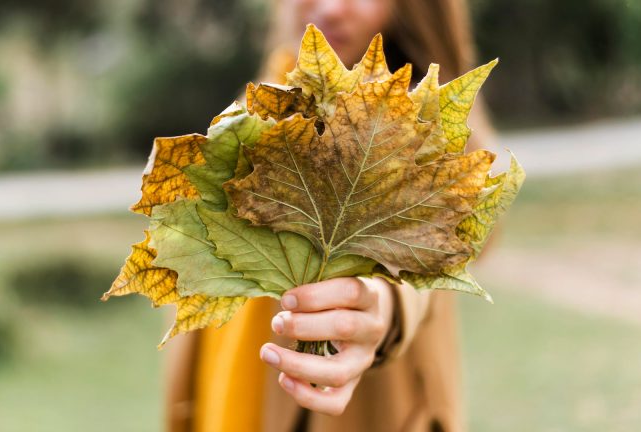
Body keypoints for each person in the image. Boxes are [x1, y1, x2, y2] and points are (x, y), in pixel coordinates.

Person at [165, 0, 496, 431]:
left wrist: (381, 307)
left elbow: (433, 250)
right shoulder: (263, 99)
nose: (332, 8)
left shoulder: (411, 116)